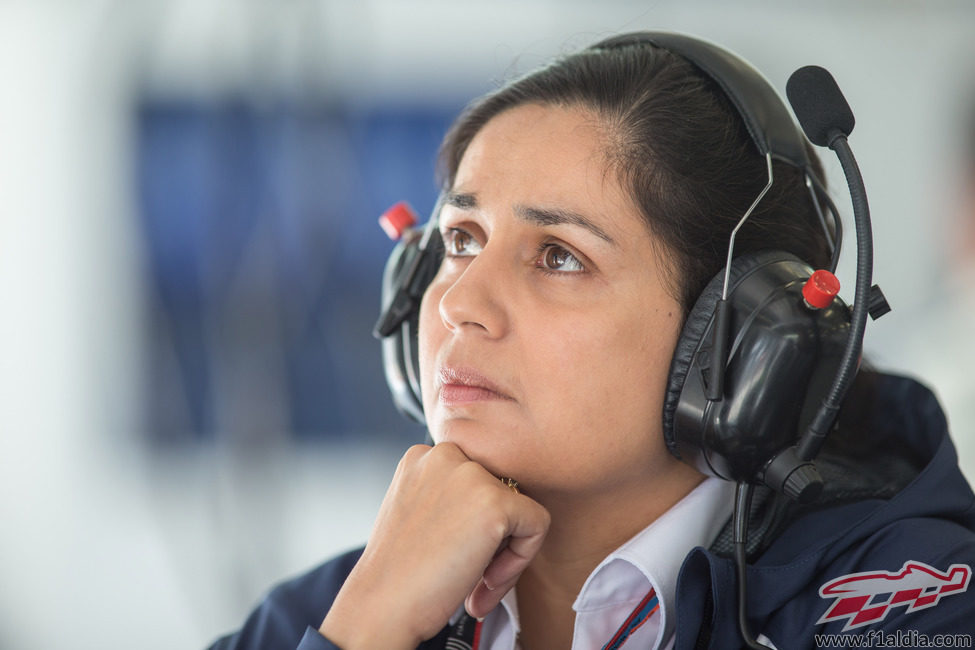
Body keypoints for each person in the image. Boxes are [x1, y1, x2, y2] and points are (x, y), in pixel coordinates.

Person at [209, 32, 975, 650]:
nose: (461, 304)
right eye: (462, 239)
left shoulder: (913, 609)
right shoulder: (337, 609)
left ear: (740, 341)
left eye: (558, 256)